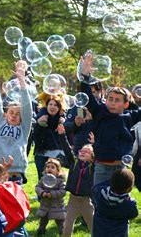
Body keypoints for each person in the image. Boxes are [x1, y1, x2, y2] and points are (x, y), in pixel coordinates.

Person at [80, 53, 141, 185]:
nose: (112, 103)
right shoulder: (99, 112)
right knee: (99, 200)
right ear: (105, 100)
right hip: (101, 167)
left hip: (120, 168)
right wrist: (85, 76)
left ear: (125, 104)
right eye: (110, 99)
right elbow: (87, 96)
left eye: (117, 100)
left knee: (118, 201)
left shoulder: (128, 117)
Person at [0, 55, 33, 183]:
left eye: (18, 114)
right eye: (11, 112)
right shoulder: (0, 122)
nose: (14, 115)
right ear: (5, 114)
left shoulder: (24, 128)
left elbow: (27, 106)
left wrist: (21, 80)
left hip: (15, 175)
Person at [57, 125, 95, 236]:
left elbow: (99, 156)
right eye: (81, 151)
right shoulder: (74, 162)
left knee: (92, 224)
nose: (82, 152)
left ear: (92, 156)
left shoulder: (94, 166)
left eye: (86, 152)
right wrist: (62, 135)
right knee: (67, 225)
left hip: (87, 201)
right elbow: (67, 148)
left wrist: (94, 144)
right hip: (73, 199)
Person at [92, 169, 138, 237]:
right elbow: (134, 214)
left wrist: (110, 181)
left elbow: (94, 188)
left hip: (99, 232)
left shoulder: (100, 194)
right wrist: (131, 200)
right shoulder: (129, 204)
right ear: (129, 189)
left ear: (111, 182)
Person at [33, 93, 67, 179]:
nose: (52, 107)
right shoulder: (41, 117)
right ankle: (42, 193)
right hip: (41, 153)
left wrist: (63, 124)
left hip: (56, 152)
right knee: (42, 179)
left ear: (59, 108)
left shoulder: (62, 120)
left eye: (55, 105)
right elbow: (34, 135)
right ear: (46, 106)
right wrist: (38, 124)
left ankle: (54, 193)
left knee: (55, 179)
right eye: (50, 104)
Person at [35, 158, 67, 236]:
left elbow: (63, 191)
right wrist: (42, 193)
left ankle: (63, 232)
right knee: (43, 219)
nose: (49, 168)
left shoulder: (60, 181)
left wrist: (52, 194)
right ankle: (41, 231)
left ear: (58, 171)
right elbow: (37, 187)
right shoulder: (43, 179)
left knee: (60, 220)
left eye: (52, 167)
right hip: (45, 205)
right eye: (48, 167)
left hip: (57, 206)